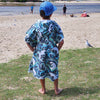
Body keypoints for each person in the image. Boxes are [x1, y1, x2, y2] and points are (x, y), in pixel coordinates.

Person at [25, 1, 64, 95]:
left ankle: (43, 89)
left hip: (39, 51)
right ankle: (56, 89)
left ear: (40, 13)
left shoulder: (36, 25)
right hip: (52, 51)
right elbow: (61, 41)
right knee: (53, 69)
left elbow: (27, 38)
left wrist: (33, 50)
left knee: (41, 69)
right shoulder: (54, 24)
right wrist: (57, 49)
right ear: (51, 13)